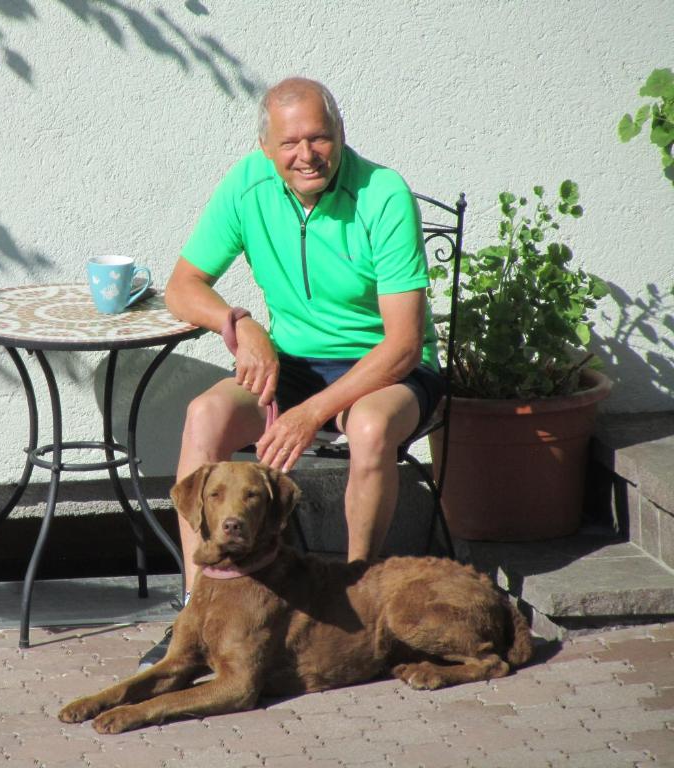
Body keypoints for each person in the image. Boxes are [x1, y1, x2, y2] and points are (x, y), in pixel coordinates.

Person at [138, 76, 445, 668]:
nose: (306, 155)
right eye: (290, 143)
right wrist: (239, 322)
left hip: (384, 368)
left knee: (370, 429)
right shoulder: (246, 185)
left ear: (340, 135)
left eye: (319, 138)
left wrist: (314, 413)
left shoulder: (382, 193)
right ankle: (196, 603)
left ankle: (357, 599)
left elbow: (404, 343)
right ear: (266, 148)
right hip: (295, 364)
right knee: (204, 415)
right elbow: (182, 287)